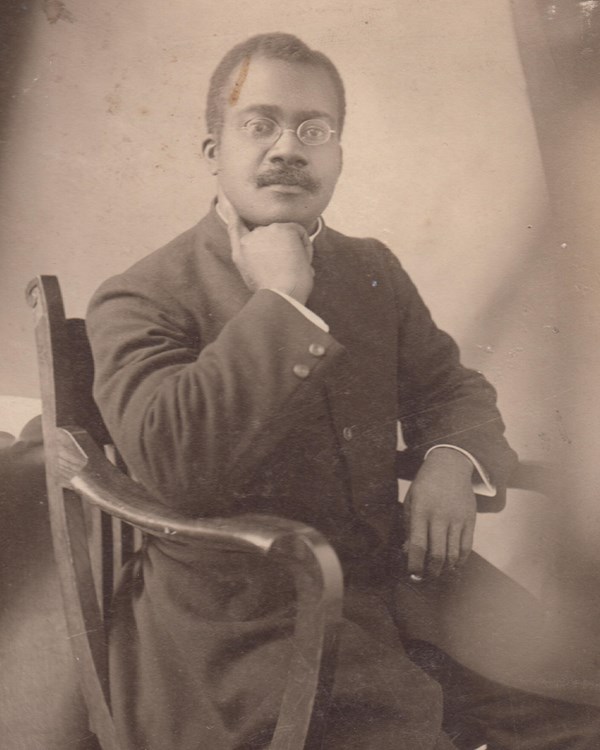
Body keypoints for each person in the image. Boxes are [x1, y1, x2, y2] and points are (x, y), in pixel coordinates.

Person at [86, 32, 600, 750]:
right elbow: (174, 467)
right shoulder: (142, 294)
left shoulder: (370, 270)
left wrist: (451, 457)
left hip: (403, 586)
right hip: (241, 625)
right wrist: (282, 303)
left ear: (337, 156)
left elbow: (451, 387)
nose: (287, 148)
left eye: (314, 130)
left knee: (582, 704)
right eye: (258, 124)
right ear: (214, 151)